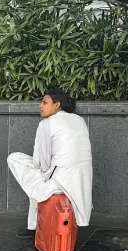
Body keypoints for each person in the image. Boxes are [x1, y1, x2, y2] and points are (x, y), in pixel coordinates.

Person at [7, 89, 93, 238]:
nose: (40, 106)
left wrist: (43, 172)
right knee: (36, 182)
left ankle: (33, 228)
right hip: (81, 185)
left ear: (57, 105)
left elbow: (41, 161)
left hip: (59, 183)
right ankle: (33, 227)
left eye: (44, 102)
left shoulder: (47, 123)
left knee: (15, 160)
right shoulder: (80, 120)